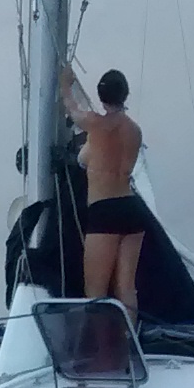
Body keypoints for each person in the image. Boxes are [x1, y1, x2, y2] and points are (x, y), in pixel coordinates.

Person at [59, 64, 145, 313]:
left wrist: (66, 84)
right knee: (126, 287)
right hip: (131, 207)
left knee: (95, 291)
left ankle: (98, 346)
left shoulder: (95, 126)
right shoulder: (134, 131)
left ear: (101, 95)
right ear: (125, 94)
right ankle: (128, 337)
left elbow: (73, 109)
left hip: (104, 209)